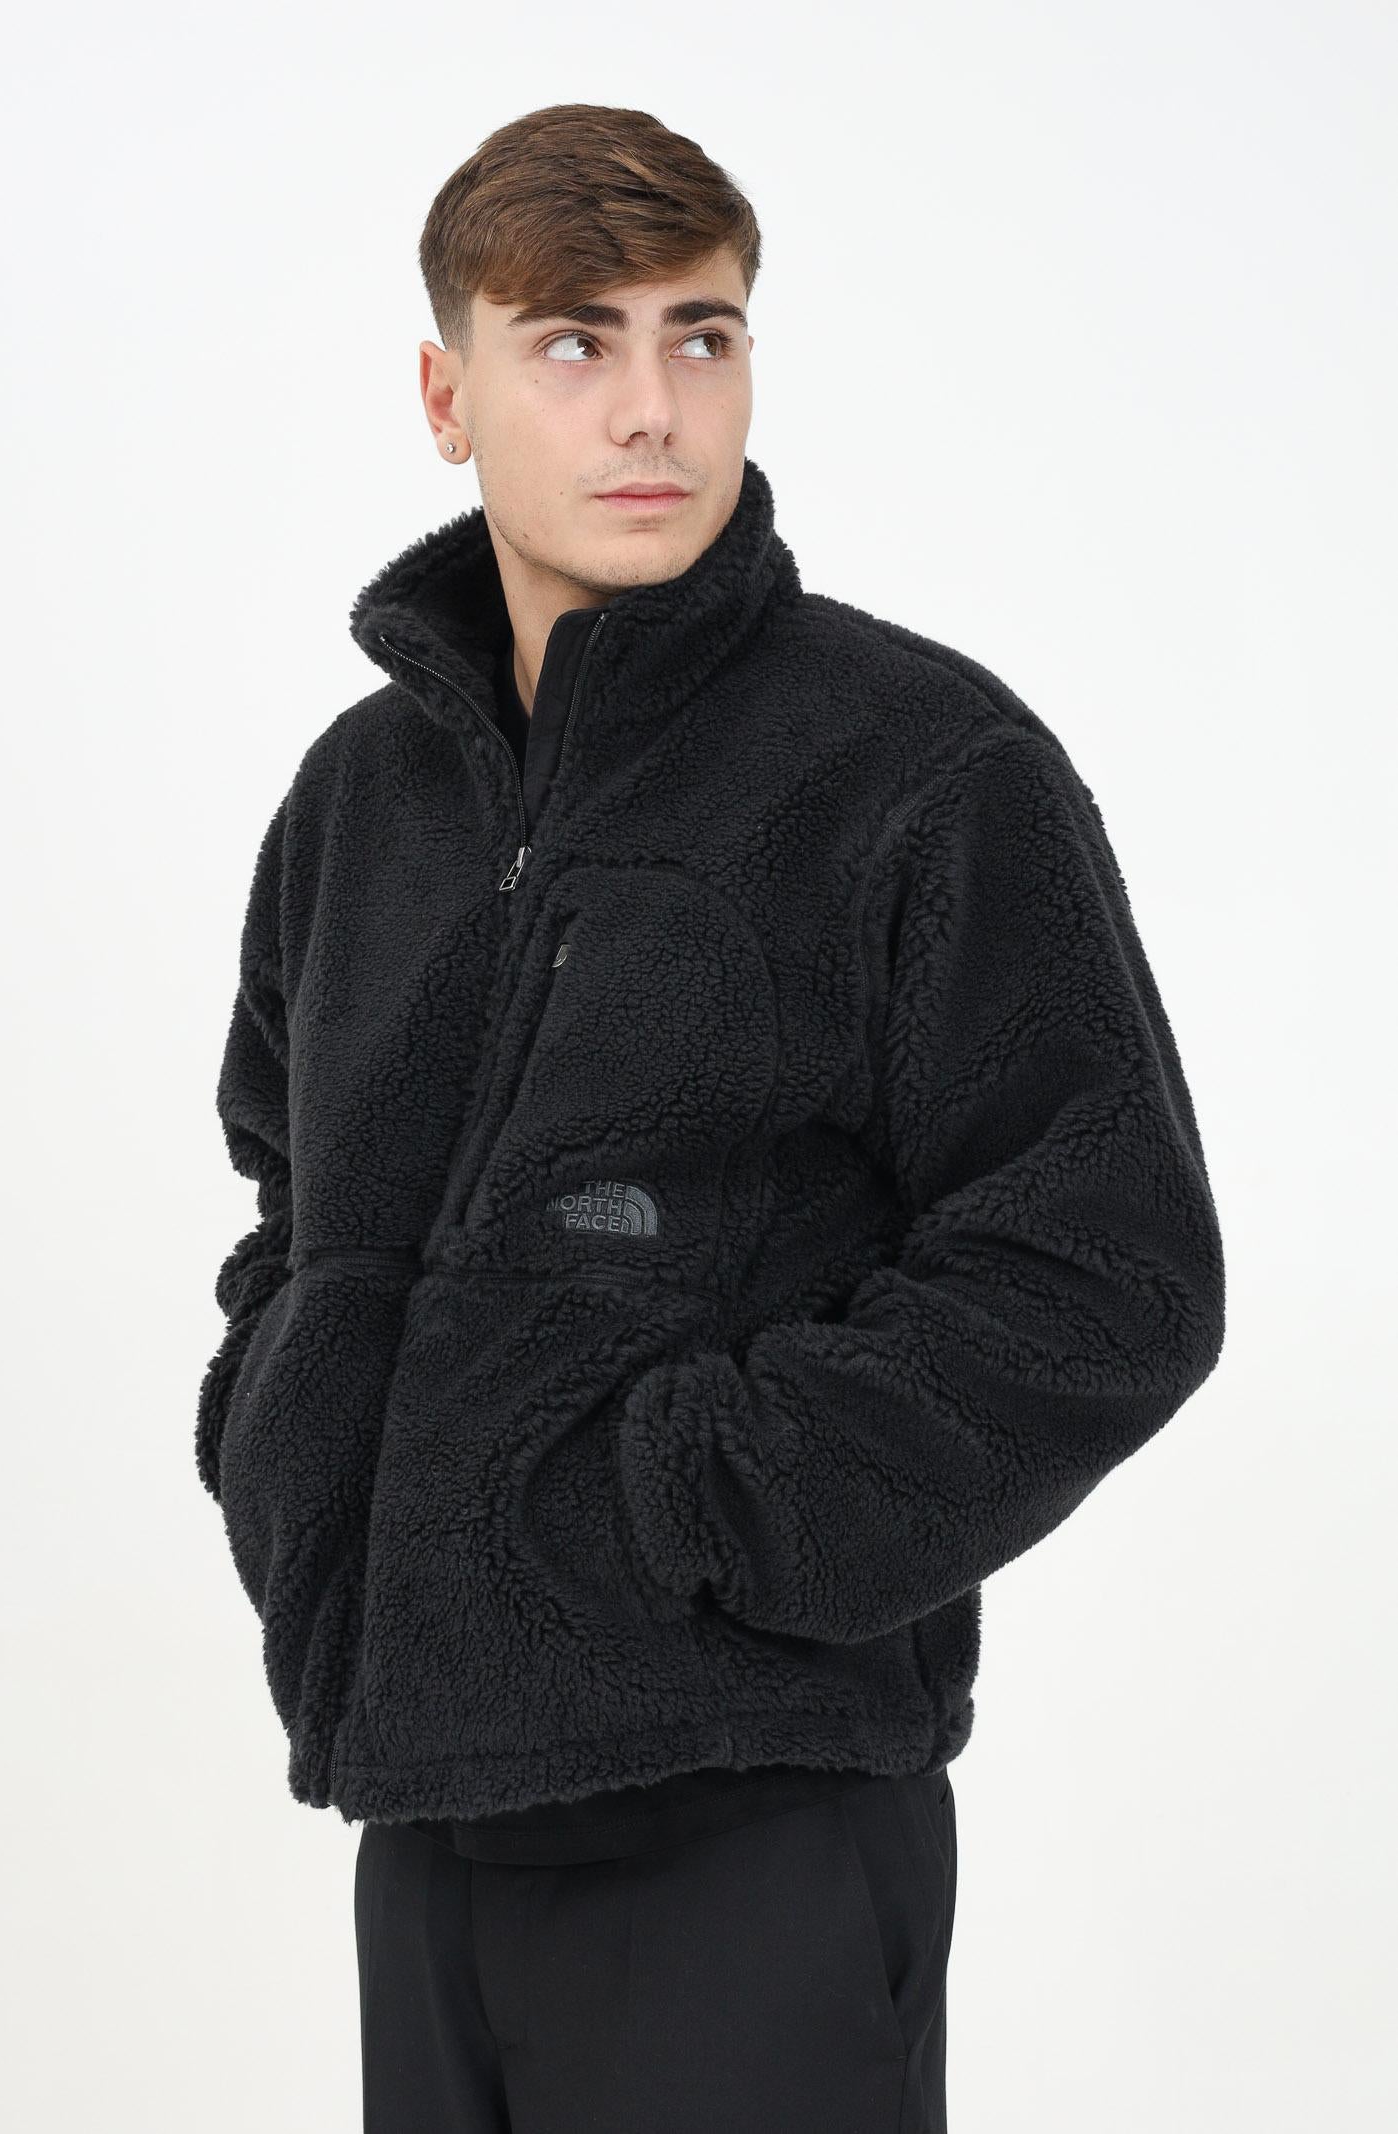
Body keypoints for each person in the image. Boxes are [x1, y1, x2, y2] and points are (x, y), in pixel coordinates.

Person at [196, 103, 1225, 2133]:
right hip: (424, 1807)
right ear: (447, 395)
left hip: (752, 1824)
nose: (651, 407)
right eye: (575, 341)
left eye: (703, 334)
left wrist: (687, 1498)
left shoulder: (917, 766)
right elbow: (288, 1199)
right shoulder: (357, 803)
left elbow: (1108, 1268)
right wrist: (296, 1438)